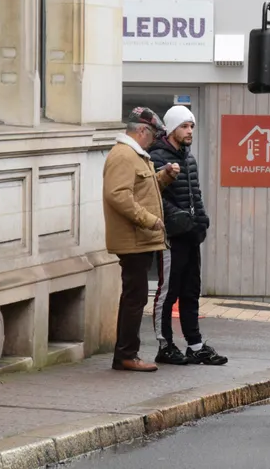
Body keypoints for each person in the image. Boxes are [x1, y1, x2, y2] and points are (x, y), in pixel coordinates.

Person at [148, 105, 228, 366]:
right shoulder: (158, 157)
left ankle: (195, 345)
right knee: (168, 291)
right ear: (172, 129)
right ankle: (165, 344)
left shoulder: (188, 158)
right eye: (184, 126)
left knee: (191, 290)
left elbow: (196, 194)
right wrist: (177, 218)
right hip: (172, 236)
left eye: (191, 126)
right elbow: (153, 196)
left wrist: (201, 221)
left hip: (191, 234)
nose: (189, 130)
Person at [102, 107, 179, 372]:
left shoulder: (135, 155)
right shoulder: (124, 155)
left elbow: (143, 190)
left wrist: (164, 176)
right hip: (133, 239)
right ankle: (126, 355)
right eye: (153, 134)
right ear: (142, 130)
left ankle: (126, 354)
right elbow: (119, 195)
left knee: (134, 297)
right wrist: (148, 220)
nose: (155, 139)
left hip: (138, 239)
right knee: (134, 298)